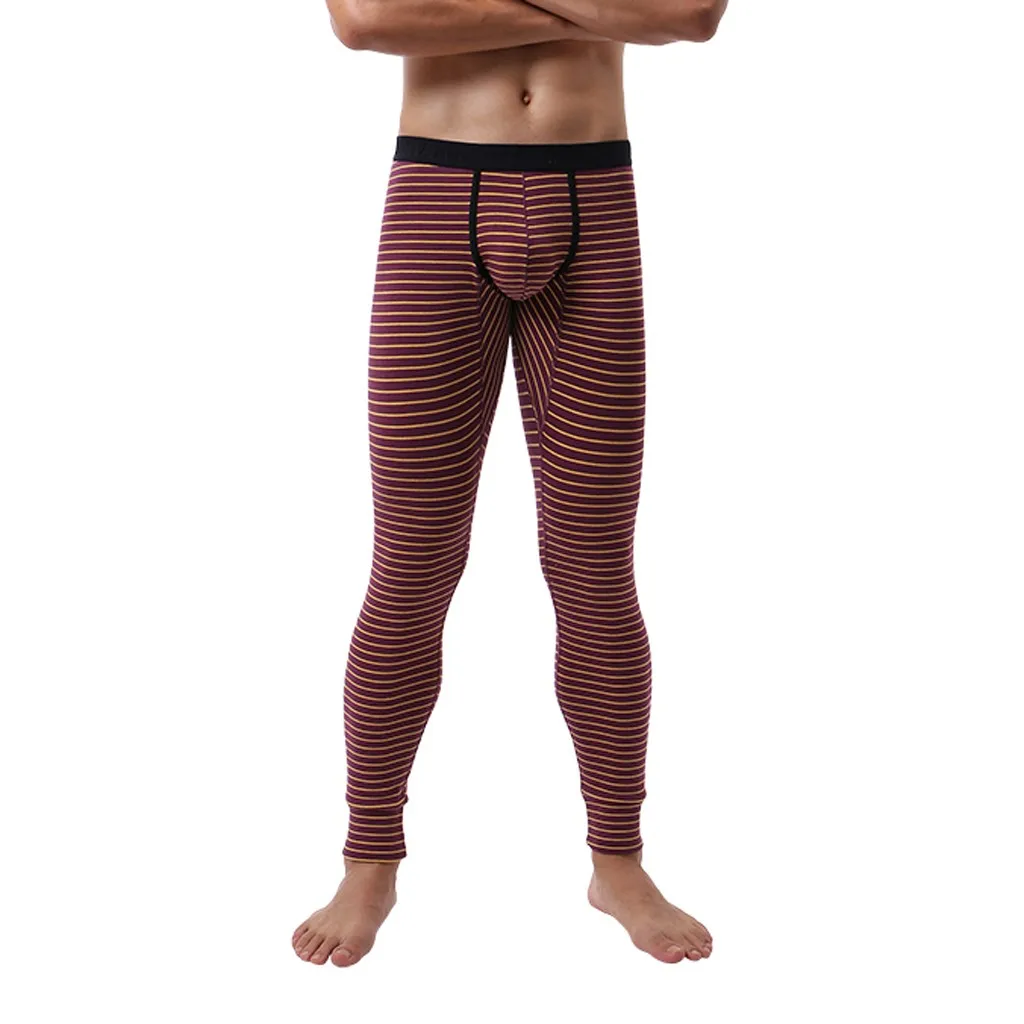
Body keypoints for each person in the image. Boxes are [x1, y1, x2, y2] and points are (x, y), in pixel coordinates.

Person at [292, 0, 728, 968]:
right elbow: (365, 20)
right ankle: (370, 858)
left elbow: (691, 12)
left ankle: (617, 860)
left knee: (594, 571)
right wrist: (598, 12)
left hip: (592, 196)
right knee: (411, 566)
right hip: (437, 194)